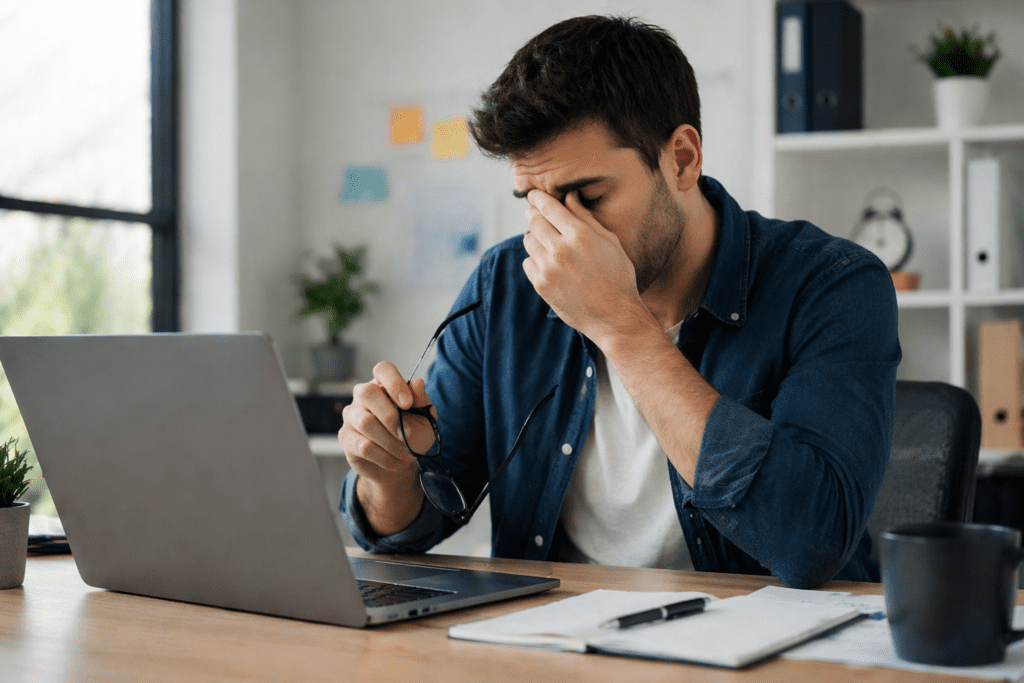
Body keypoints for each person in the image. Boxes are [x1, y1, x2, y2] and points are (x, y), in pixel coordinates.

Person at [337, 15, 900, 588]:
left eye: (587, 196)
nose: (558, 234)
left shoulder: (833, 283)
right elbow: (418, 522)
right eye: (533, 201)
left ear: (681, 158)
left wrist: (622, 327)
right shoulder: (505, 284)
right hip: (551, 647)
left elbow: (810, 543)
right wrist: (389, 475)